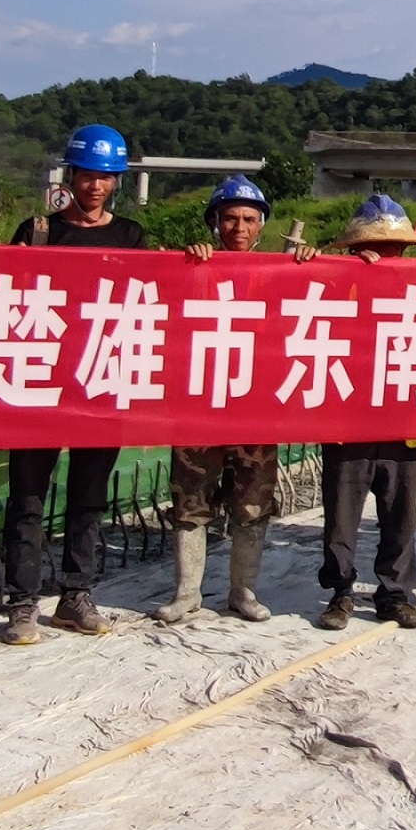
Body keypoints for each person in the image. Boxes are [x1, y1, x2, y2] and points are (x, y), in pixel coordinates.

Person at [0, 123, 143, 644]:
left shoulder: (129, 237)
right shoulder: (37, 231)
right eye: (87, 175)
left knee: (88, 497)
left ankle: (77, 594)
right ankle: (21, 602)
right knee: (28, 497)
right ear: (72, 174)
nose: (95, 187)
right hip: (40, 379)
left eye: (106, 177)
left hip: (100, 377)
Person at [166, 173, 287, 622]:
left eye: (249, 219)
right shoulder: (193, 267)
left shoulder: (279, 272)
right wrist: (186, 264)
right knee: (190, 500)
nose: (239, 227)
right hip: (199, 407)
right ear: (214, 222)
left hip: (256, 410)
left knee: (252, 504)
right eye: (230, 218)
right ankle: (186, 592)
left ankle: (243, 591)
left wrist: (308, 263)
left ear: (260, 226)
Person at [316, 195, 416, 627]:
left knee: (400, 516)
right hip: (348, 422)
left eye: (394, 247)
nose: (387, 254)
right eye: (376, 245)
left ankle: (395, 594)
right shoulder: (334, 285)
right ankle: (340, 591)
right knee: (342, 518)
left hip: (405, 424)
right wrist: (334, 270)